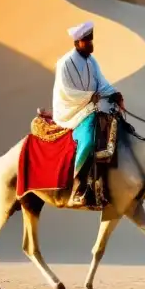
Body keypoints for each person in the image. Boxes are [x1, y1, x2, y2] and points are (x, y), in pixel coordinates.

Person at [53, 21, 125, 207]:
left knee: (117, 131)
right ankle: (77, 189)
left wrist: (114, 93)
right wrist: (89, 97)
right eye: (87, 41)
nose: (91, 44)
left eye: (91, 40)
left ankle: (105, 187)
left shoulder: (91, 61)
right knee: (88, 140)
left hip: (92, 106)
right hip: (73, 111)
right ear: (78, 42)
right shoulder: (65, 63)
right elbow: (66, 92)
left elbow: (101, 82)